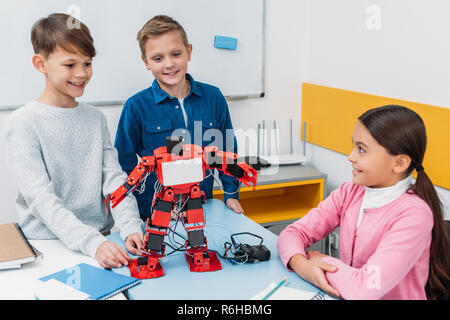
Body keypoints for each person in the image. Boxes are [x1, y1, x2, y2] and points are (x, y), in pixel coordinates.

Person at [3, 13, 144, 269]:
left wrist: (131, 226)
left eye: (87, 63)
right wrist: (92, 243)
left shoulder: (94, 118)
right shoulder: (23, 122)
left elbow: (114, 181)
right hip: (48, 246)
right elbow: (40, 199)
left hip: (101, 240)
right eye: (70, 65)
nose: (81, 73)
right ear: (40, 64)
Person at [277, 105, 450, 300]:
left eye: (361, 150)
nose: (351, 157)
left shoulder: (414, 215)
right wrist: (302, 264)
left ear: (399, 163)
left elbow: (365, 289)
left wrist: (322, 260)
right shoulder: (349, 192)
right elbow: (292, 233)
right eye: (353, 147)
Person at [114, 15, 244, 221]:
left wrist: (231, 194)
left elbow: (227, 150)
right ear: (146, 62)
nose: (169, 64)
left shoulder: (214, 97)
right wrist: (148, 205)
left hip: (203, 209)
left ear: (188, 51)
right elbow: (123, 165)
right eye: (158, 58)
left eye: (176, 54)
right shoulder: (136, 106)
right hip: (155, 214)